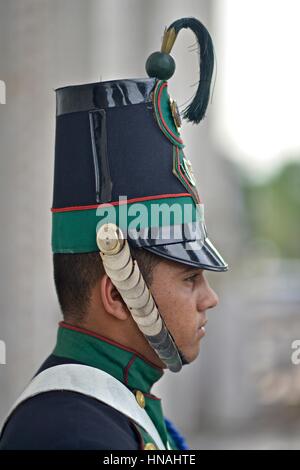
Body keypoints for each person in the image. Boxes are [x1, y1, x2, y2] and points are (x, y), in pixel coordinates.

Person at [0, 16, 228, 450]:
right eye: (189, 277)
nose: (209, 297)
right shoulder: (65, 431)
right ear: (118, 295)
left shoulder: (110, 407)